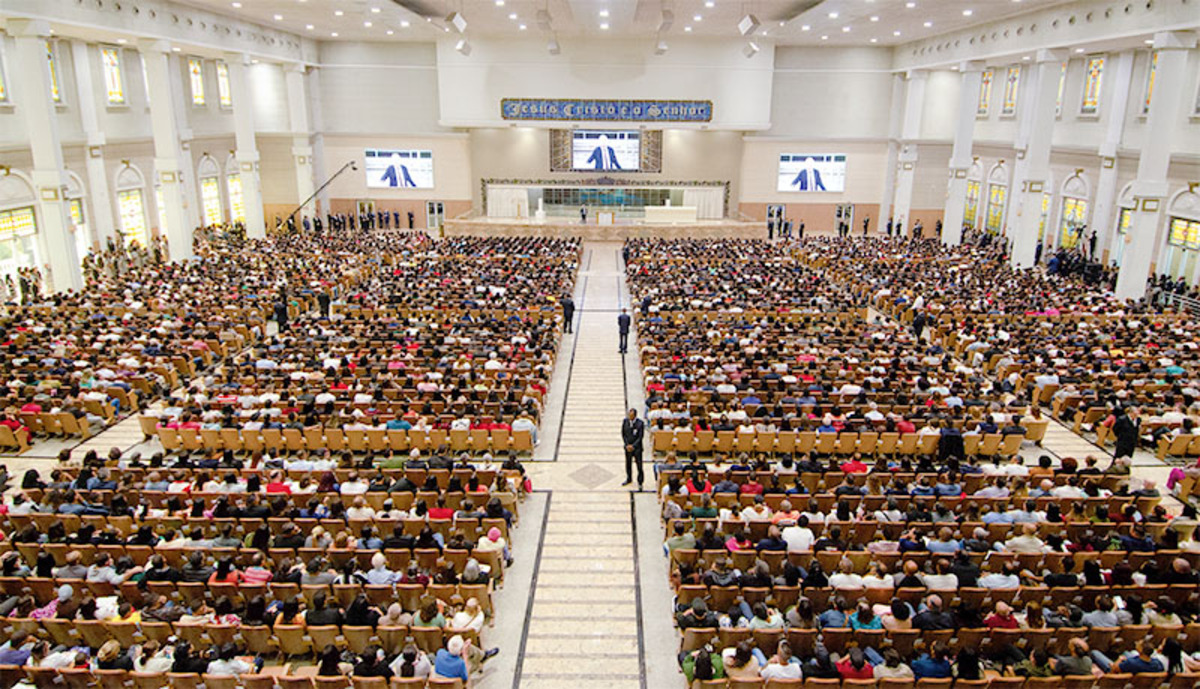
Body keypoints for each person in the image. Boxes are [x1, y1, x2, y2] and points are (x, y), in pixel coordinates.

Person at [622, 408, 645, 489]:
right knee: (628, 464)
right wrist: (627, 445)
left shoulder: (640, 423)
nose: (629, 417)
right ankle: (629, 478)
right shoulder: (625, 421)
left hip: (637, 448)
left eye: (631, 416)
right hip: (628, 447)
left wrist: (633, 446)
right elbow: (623, 434)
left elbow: (640, 437)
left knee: (639, 466)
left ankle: (640, 482)